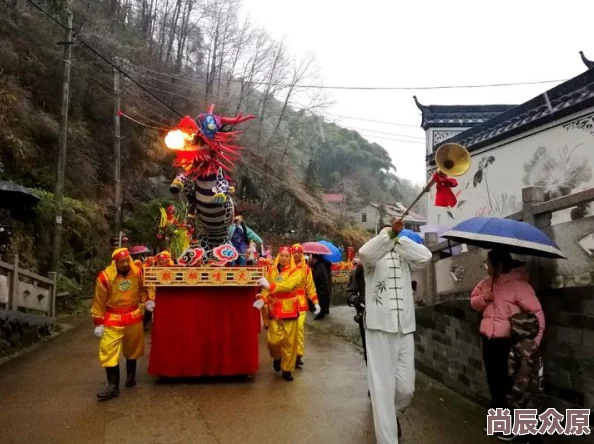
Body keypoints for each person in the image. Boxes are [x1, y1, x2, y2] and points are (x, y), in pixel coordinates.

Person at [359, 219, 432, 444]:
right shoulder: (371, 260)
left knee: (406, 388)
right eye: (389, 236)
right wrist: (388, 235)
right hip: (379, 327)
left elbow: (426, 257)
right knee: (382, 390)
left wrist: (399, 239)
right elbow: (365, 252)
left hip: (405, 327)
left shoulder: (404, 256)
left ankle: (394, 415)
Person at [470, 249, 545, 435]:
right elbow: (473, 301)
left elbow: (537, 314)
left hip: (510, 343)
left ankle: (512, 427)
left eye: (489, 263)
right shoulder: (486, 284)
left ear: (500, 265)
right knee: (494, 382)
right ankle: (499, 423)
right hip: (489, 340)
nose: (486, 267)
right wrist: (483, 299)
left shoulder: (519, 286)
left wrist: (534, 343)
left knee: (509, 384)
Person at [91, 248, 154, 401]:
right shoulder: (105, 277)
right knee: (108, 349)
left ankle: (131, 376)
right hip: (113, 318)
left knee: (133, 348)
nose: (125, 264)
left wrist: (147, 300)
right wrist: (98, 321)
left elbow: (142, 290)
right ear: (115, 262)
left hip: (133, 316)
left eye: (127, 260)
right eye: (122, 262)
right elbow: (99, 301)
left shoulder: (137, 273)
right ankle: (113, 386)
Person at [256, 247, 319, 381]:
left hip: (290, 309)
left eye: (286, 256)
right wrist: (262, 299)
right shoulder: (272, 270)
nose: (284, 258)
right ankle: (277, 356)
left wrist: (315, 301)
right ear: (278, 256)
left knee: (290, 341)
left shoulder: (296, 272)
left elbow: (288, 286)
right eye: (282, 255)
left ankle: (287, 369)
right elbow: (266, 288)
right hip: (274, 309)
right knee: (272, 341)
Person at [504, 312, 544, 443]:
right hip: (533, 389)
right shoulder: (533, 346)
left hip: (524, 391)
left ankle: (526, 439)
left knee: (524, 416)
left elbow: (523, 372)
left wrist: (516, 390)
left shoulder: (522, 348)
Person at [291, 244, 321, 368]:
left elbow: (310, 287)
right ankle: (284, 355)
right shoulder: (285, 267)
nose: (297, 254)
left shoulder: (306, 269)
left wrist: (316, 303)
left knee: (299, 330)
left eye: (299, 252)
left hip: (301, 303)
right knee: (286, 331)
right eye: (294, 252)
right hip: (286, 303)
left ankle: (298, 355)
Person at [346, 257, 366, 364]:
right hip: (365, 315)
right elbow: (350, 294)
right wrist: (357, 301)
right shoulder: (358, 270)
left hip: (386, 319)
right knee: (368, 350)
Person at [309, 254, 330, 320]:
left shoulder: (319, 266)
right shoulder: (320, 264)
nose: (310, 259)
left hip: (321, 288)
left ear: (314, 259)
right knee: (323, 301)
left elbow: (317, 276)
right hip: (323, 287)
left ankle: (320, 314)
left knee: (321, 301)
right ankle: (324, 310)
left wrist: (312, 271)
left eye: (311, 257)